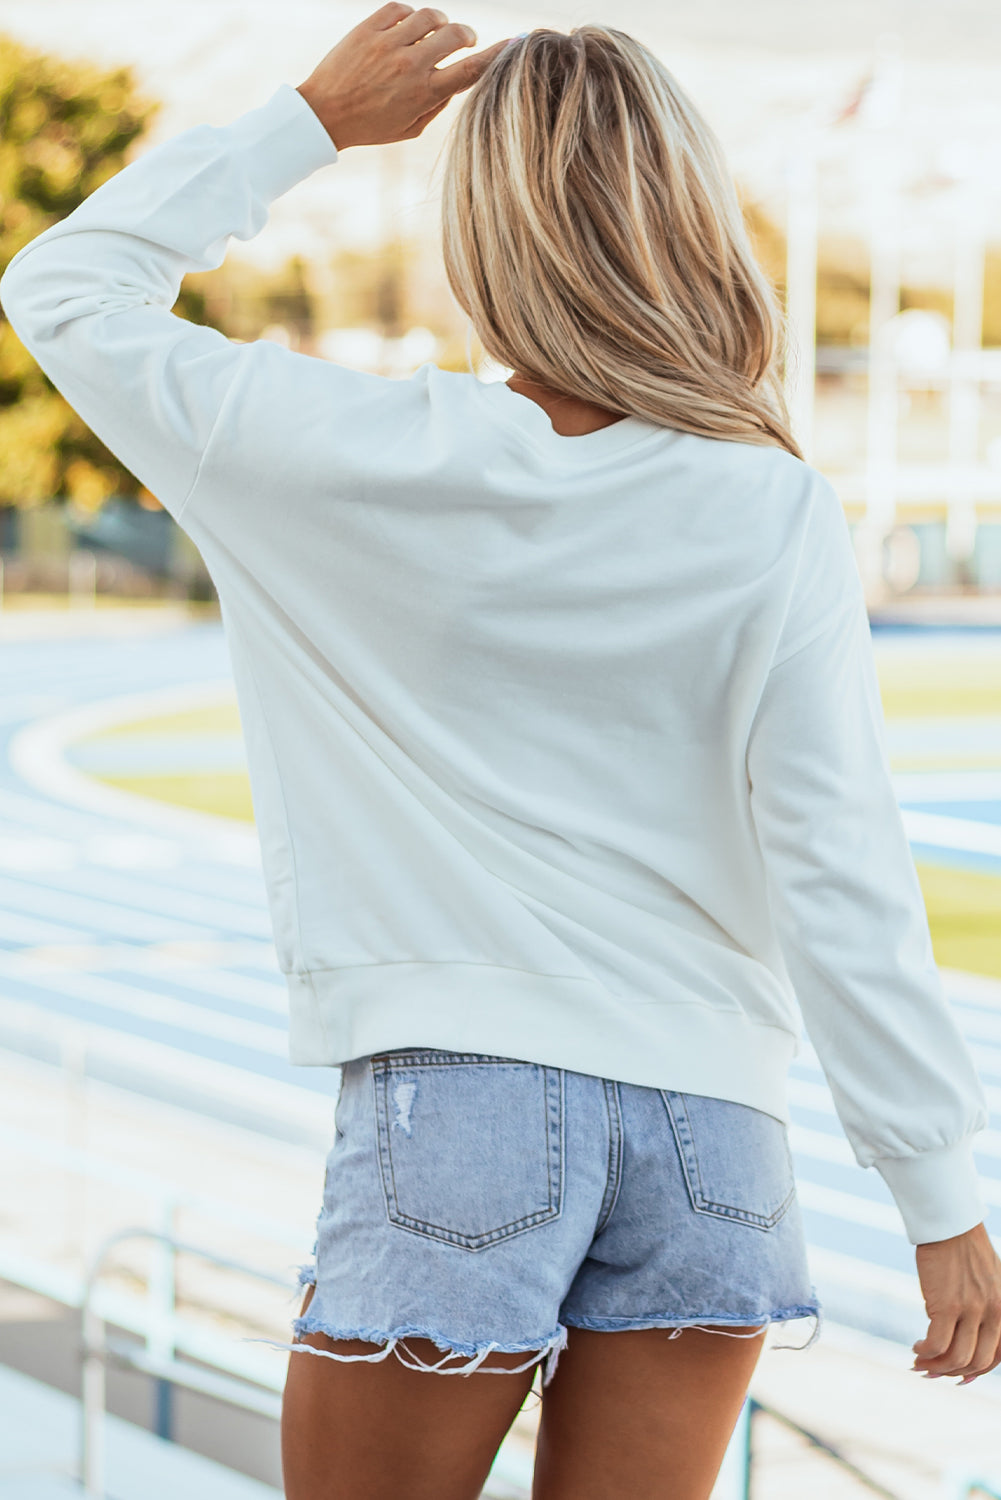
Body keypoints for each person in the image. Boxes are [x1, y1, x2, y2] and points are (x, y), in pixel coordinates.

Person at [2, 8, 1000, 1498]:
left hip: (458, 1109)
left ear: (483, 229)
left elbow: (68, 286)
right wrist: (937, 1199)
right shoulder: (771, 504)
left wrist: (309, 120)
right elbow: (838, 863)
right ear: (683, 218)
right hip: (716, 1129)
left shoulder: (341, 452)